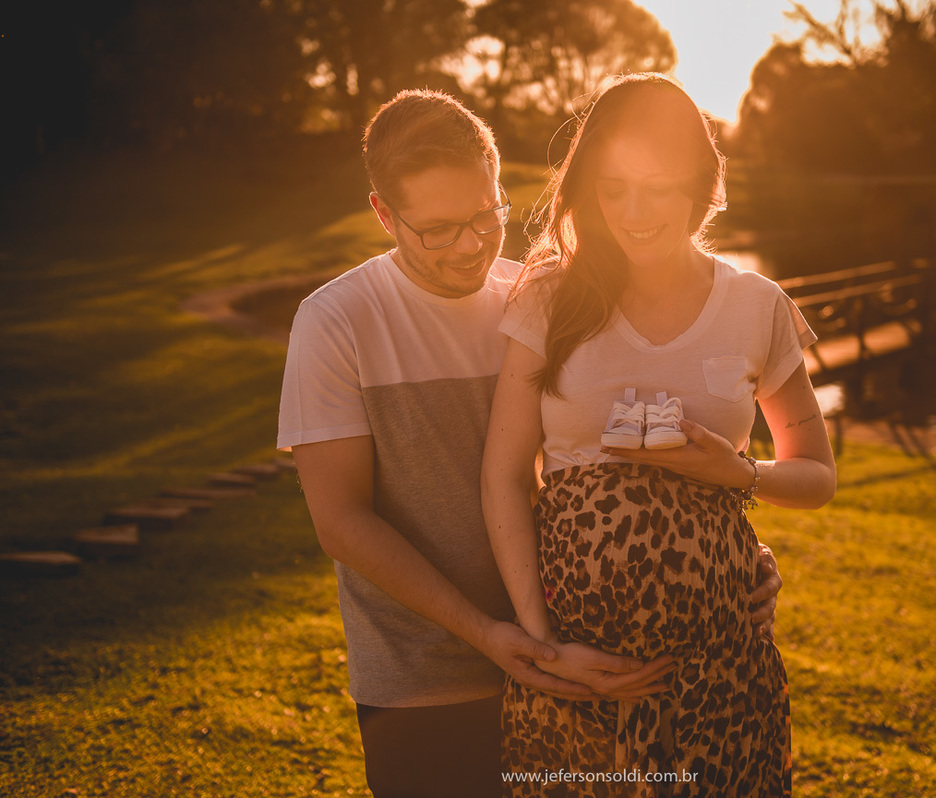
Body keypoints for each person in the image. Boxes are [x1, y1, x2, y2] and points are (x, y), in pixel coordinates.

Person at [277, 88, 784, 798]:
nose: (472, 246)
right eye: (438, 229)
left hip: (576, 652)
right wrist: (493, 636)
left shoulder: (546, 300)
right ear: (384, 214)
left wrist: (727, 558)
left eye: (488, 216)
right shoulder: (336, 322)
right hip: (428, 678)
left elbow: (604, 460)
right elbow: (341, 522)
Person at [481, 74, 837, 796]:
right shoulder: (549, 299)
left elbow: (817, 476)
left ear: (704, 187)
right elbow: (505, 477)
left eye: (659, 188)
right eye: (613, 189)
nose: (633, 213)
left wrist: (740, 474)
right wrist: (543, 642)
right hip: (580, 667)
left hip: (722, 664)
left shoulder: (756, 306)